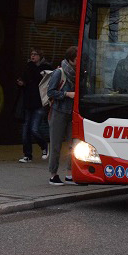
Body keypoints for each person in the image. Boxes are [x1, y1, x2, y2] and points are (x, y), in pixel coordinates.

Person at [47, 46, 77, 186]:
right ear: (71, 59)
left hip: (72, 113)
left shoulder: (79, 73)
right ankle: (53, 175)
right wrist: (66, 94)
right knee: (56, 145)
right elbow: (50, 92)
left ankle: (70, 173)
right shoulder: (59, 72)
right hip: (59, 112)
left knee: (74, 145)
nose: (79, 61)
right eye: (77, 59)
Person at [15, 48, 51, 163]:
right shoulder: (28, 66)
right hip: (28, 102)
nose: (32, 56)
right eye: (31, 54)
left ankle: (44, 145)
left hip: (39, 103)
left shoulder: (46, 68)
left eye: (35, 54)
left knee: (34, 129)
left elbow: (40, 80)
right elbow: (24, 80)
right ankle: (27, 155)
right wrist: (21, 83)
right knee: (25, 130)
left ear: (40, 56)